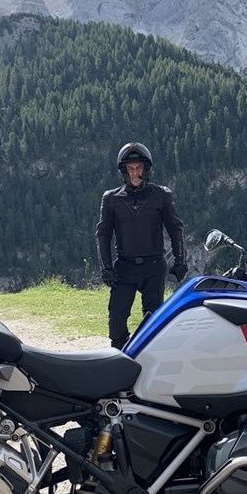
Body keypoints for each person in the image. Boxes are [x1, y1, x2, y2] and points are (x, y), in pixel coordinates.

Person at [95, 142, 187, 349]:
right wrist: (106, 268)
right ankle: (118, 356)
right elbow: (103, 233)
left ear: (146, 169)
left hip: (153, 265)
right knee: (116, 316)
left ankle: (152, 355)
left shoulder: (161, 195)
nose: (135, 172)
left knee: (153, 318)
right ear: (124, 171)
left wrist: (180, 261)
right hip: (124, 265)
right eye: (130, 168)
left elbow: (175, 228)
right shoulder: (111, 199)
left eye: (138, 168)